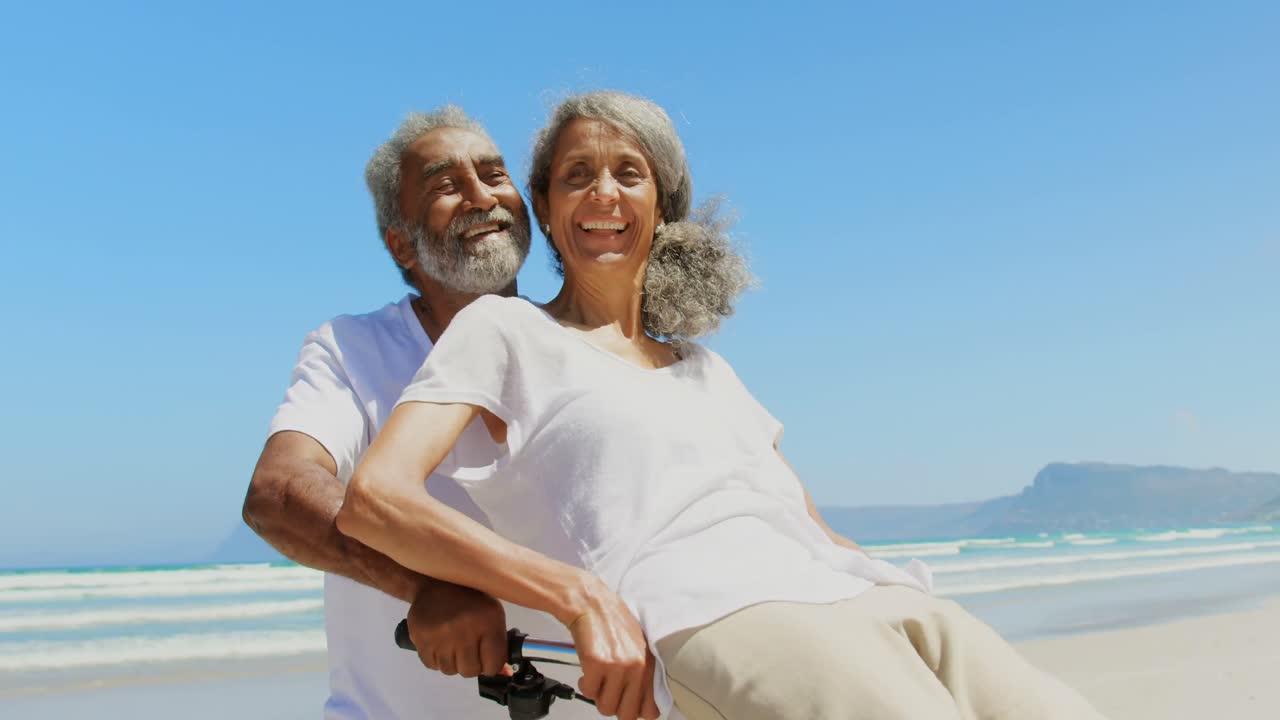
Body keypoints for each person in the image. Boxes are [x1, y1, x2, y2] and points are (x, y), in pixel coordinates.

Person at [335, 91, 1108, 720]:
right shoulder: (502, 329)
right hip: (717, 616)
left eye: (628, 173)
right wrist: (575, 597)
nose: (604, 192)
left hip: (856, 594)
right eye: (577, 175)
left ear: (663, 206)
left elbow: (806, 525)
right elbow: (376, 499)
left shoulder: (709, 369)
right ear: (544, 205)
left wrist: (889, 588)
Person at [242, 106, 597, 719]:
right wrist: (427, 586)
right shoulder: (353, 348)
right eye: (445, 184)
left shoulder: (592, 346)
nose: (480, 196)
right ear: (400, 243)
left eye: (494, 174)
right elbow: (277, 493)